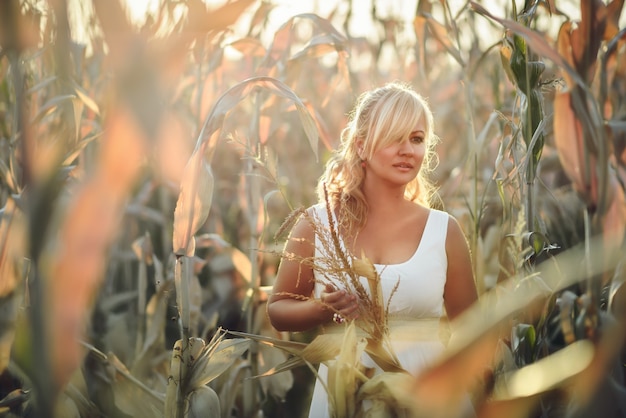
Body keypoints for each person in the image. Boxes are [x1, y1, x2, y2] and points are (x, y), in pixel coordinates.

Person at [267, 81, 478, 417]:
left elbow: (472, 330)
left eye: (417, 139)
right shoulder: (316, 224)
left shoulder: (444, 230)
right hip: (343, 395)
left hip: (427, 398)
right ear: (362, 146)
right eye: (395, 137)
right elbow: (278, 308)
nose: (408, 149)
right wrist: (322, 309)